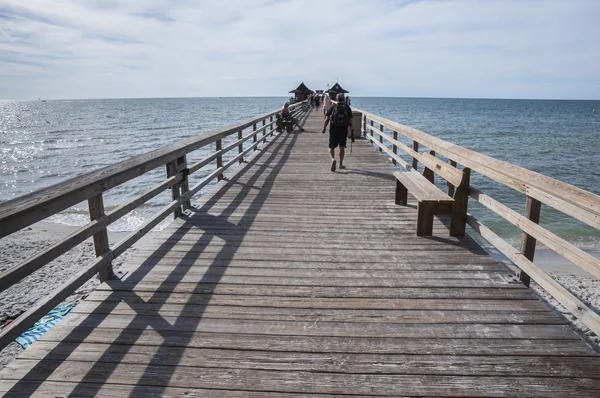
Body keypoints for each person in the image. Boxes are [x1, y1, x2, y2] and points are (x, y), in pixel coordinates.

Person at [322, 93, 353, 171]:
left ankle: (333, 159)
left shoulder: (333, 107)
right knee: (341, 147)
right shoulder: (347, 108)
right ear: (344, 99)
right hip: (343, 129)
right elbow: (351, 120)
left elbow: (327, 119)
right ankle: (341, 164)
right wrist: (352, 131)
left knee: (331, 147)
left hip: (333, 129)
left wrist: (324, 128)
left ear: (336, 99)